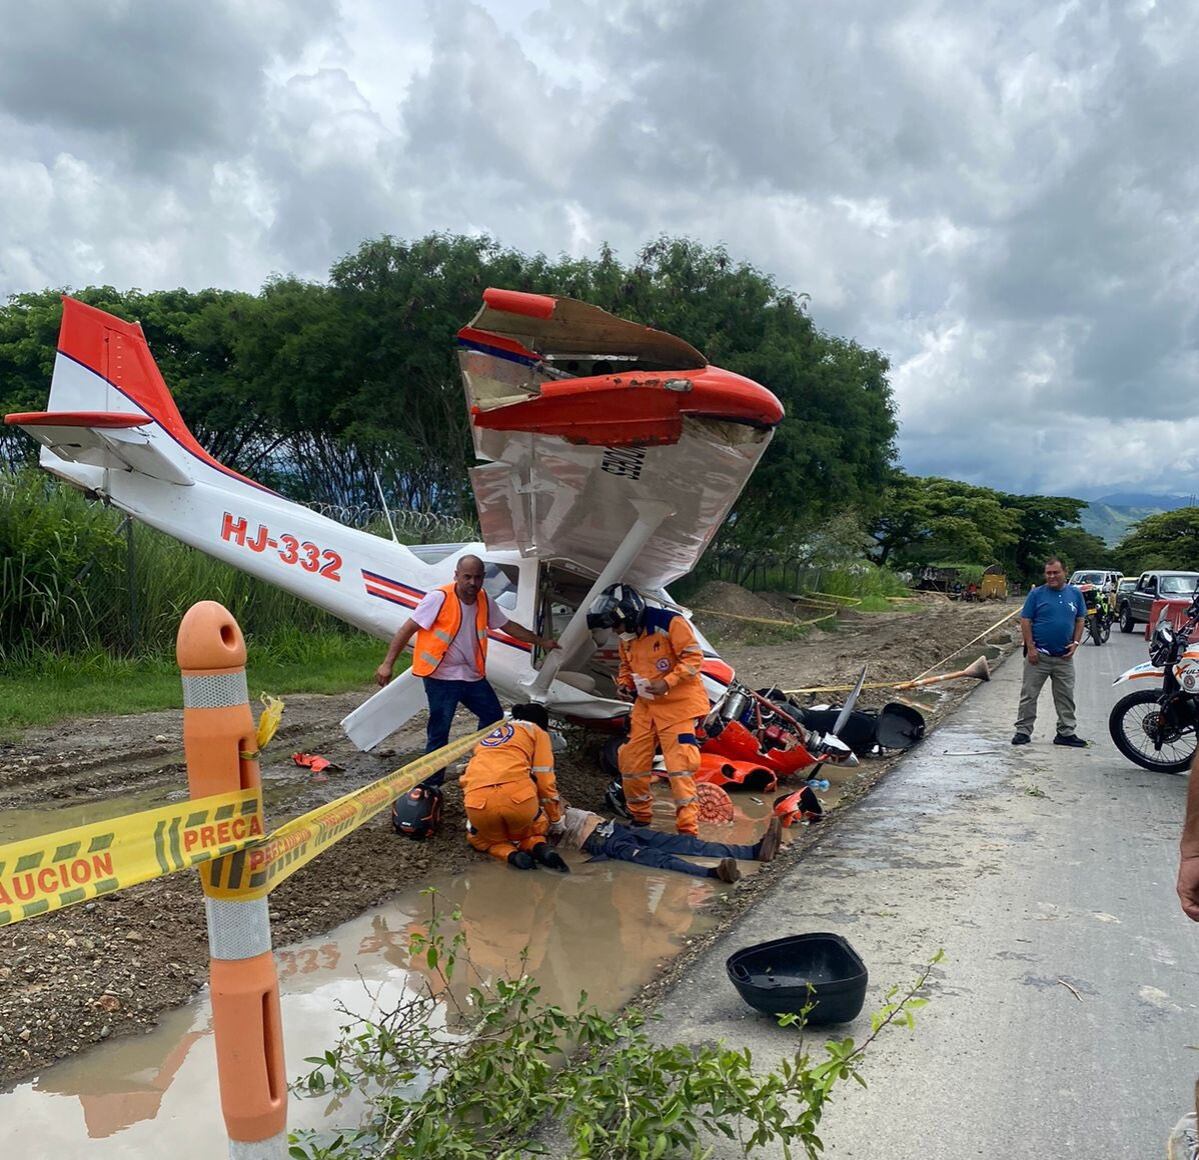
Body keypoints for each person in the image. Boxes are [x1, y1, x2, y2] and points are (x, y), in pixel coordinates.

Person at [374, 555, 559, 785]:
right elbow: (406, 629)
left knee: (492, 718)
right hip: (441, 677)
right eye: (467, 577)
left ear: (483, 579)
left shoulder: (484, 600)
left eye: (478, 577)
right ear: (456, 576)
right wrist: (387, 663)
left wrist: (541, 641)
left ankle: (480, 763)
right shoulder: (438, 598)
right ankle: (431, 784)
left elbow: (508, 626)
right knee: (439, 732)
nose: (473, 583)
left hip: (471, 677)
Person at [587, 583, 708, 835]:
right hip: (646, 707)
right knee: (631, 763)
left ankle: (688, 830)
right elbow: (626, 666)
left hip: (679, 707)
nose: (615, 632)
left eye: (616, 626)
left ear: (627, 615)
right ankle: (640, 818)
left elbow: (693, 659)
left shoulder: (670, 623)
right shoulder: (627, 638)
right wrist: (624, 685)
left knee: (679, 767)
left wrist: (666, 682)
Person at [548, 804, 784, 882]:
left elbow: (559, 802)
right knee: (659, 860)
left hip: (614, 828)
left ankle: (753, 851)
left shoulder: (537, 793)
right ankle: (714, 875)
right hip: (601, 842)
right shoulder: (526, 820)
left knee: (686, 844)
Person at [460, 702, 568, 870]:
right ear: (542, 723)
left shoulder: (488, 735)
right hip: (519, 799)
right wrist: (555, 818)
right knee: (533, 829)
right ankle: (538, 846)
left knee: (481, 839)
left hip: (478, 802)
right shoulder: (537, 732)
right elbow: (545, 780)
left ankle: (511, 855)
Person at [1011, 557, 1087, 747]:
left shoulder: (1075, 594)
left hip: (1063, 657)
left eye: (1056, 572)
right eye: (1048, 573)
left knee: (1066, 696)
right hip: (1038, 656)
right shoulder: (1036, 594)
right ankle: (1023, 731)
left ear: (1065, 572)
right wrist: (1031, 648)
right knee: (1029, 695)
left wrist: (1076, 642)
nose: (1052, 576)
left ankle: (1066, 733)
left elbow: (1080, 619)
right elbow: (1026, 620)